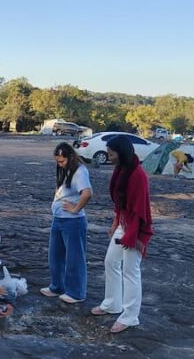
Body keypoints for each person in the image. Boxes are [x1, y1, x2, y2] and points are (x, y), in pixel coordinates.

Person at [92, 135, 153, 333]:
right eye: (108, 153)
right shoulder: (121, 170)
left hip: (137, 227)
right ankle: (112, 304)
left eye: (112, 154)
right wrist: (116, 222)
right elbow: (120, 202)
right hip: (125, 222)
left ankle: (130, 317)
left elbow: (140, 210)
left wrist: (131, 236)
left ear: (122, 153)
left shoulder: (138, 175)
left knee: (130, 271)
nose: (109, 157)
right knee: (111, 262)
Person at [41, 143, 93, 304]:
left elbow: (87, 193)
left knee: (74, 257)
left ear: (70, 157)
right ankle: (58, 286)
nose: (60, 164)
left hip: (73, 221)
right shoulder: (66, 170)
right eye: (57, 161)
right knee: (55, 255)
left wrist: (75, 209)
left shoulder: (80, 171)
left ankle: (76, 292)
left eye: (62, 161)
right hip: (59, 219)